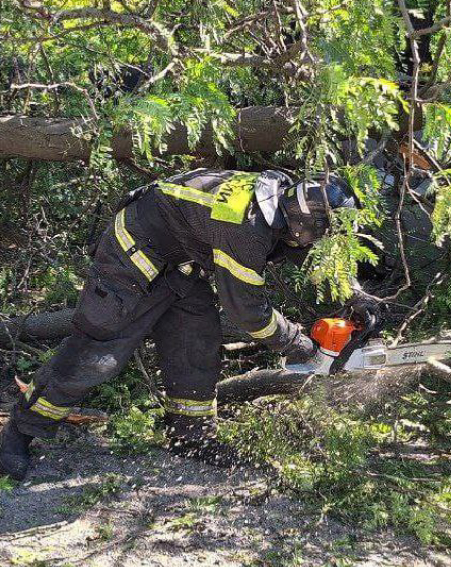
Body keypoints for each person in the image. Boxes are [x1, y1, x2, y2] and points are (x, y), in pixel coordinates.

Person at [0, 168, 380, 478]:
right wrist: (301, 346)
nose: (320, 239)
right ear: (302, 219)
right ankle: (19, 433)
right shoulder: (245, 229)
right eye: (320, 230)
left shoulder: (280, 196)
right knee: (98, 354)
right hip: (132, 255)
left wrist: (355, 295)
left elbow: (314, 257)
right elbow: (248, 313)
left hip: (180, 261)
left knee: (196, 343)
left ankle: (192, 437)